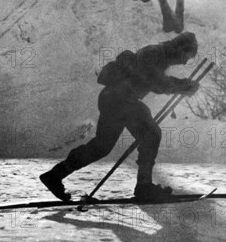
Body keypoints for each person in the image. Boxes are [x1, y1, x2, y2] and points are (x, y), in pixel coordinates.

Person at [40, 32, 199, 202]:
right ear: (179, 48)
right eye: (187, 56)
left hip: (115, 99)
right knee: (151, 135)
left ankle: (54, 176)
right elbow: (156, 82)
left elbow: (157, 81)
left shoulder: (158, 55)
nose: (184, 62)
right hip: (122, 100)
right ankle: (144, 187)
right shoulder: (154, 53)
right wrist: (183, 85)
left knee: (102, 147)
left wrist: (182, 86)